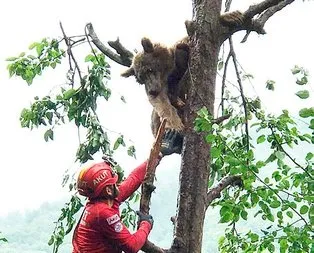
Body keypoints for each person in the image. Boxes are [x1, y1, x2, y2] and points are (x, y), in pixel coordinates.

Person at [72, 130, 182, 253]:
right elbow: (132, 246)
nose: (117, 183)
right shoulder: (102, 212)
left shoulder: (103, 200)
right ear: (108, 190)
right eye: (113, 182)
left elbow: (134, 178)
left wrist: (159, 154)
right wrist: (146, 224)